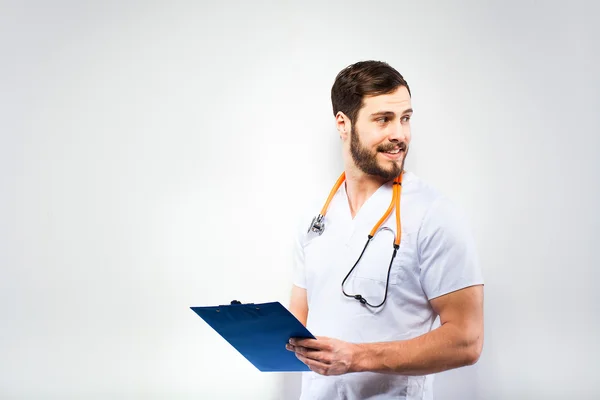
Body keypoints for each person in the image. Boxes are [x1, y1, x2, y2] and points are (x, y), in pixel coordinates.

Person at [285, 60, 484, 400]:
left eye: (405, 118)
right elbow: (298, 321)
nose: (400, 135)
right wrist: (251, 326)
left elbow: (467, 340)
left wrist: (357, 357)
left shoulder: (434, 214)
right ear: (343, 124)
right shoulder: (314, 218)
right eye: (383, 119)